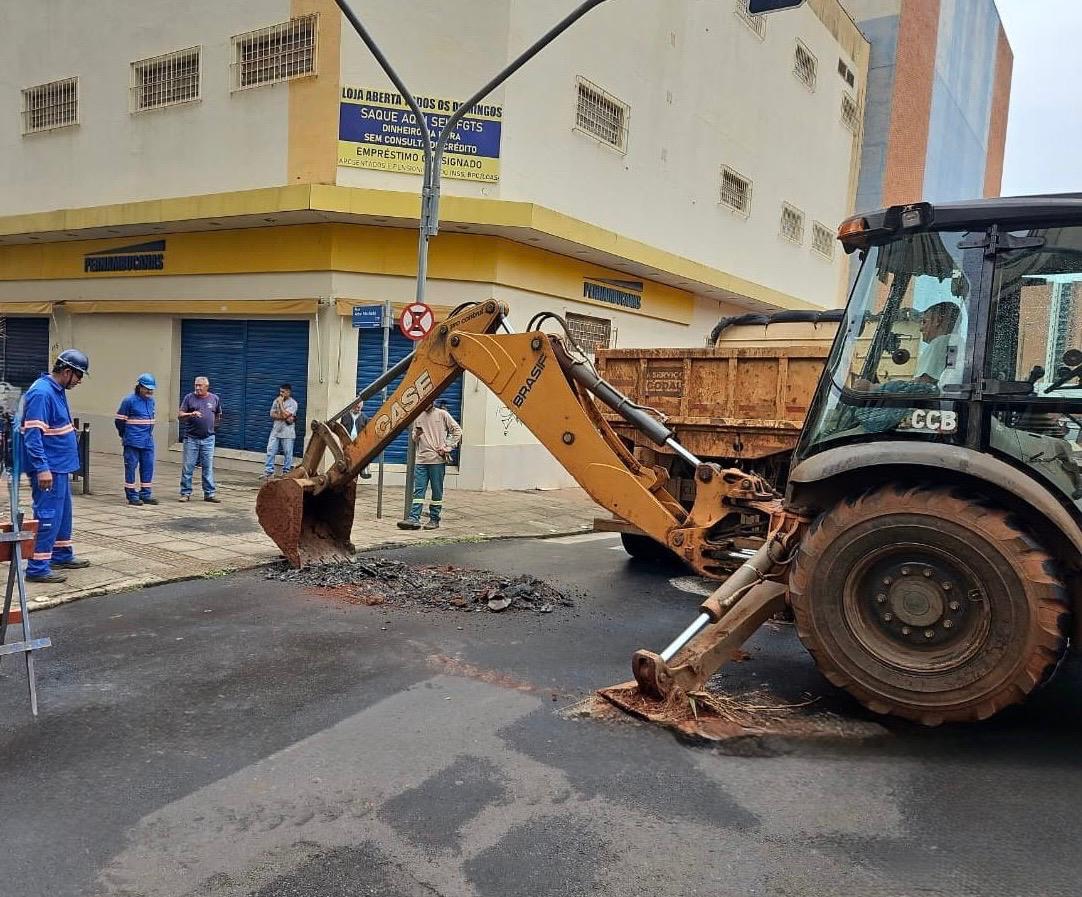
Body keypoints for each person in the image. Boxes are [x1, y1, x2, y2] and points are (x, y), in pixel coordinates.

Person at [18, 349, 92, 584]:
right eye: (79, 376)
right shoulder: (42, 393)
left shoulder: (56, 390)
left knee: (63, 514)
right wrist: (42, 468)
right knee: (48, 514)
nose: (79, 381)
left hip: (60, 465)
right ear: (67, 371)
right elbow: (32, 435)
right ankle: (38, 567)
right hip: (49, 467)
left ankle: (60, 553)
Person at [397, 400, 461, 531]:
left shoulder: (442, 414)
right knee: (418, 490)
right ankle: (414, 518)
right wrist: (417, 435)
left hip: (437, 460)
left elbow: (457, 431)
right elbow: (414, 438)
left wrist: (448, 446)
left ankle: (434, 518)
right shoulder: (418, 416)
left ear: (433, 401)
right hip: (421, 460)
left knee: (436, 491)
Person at [115, 373, 158, 506]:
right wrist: (125, 435)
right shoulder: (129, 401)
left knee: (148, 466)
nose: (149, 391)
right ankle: (132, 494)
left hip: (147, 440)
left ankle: (145, 493)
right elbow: (119, 421)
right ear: (139, 387)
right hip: (132, 440)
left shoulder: (151, 401)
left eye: (151, 389)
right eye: (147, 388)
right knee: (131, 467)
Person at [178, 376, 222, 503]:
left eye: (200, 385)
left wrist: (212, 428)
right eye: (196, 385)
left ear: (207, 387)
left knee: (207, 467)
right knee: (188, 467)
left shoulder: (214, 398)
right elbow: (180, 415)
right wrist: (190, 414)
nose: (197, 388)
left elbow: (218, 414)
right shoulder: (189, 398)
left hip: (208, 438)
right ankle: (185, 493)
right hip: (191, 438)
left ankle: (209, 494)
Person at [262, 383, 298, 479]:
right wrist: (282, 416)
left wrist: (281, 405)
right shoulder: (276, 401)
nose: (281, 393)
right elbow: (272, 414)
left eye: (283, 392)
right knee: (270, 450)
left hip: (287, 432)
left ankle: (286, 472)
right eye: (280, 391)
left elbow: (287, 415)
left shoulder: (293, 403)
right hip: (276, 430)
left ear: (288, 392)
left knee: (288, 453)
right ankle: (269, 471)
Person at [344, 398, 372, 479]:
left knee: (356, 466)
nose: (358, 408)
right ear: (352, 405)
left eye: (359, 407)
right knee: (347, 465)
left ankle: (354, 480)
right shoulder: (345, 417)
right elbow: (341, 432)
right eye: (356, 406)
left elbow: (367, 434)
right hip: (347, 446)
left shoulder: (365, 418)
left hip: (359, 446)